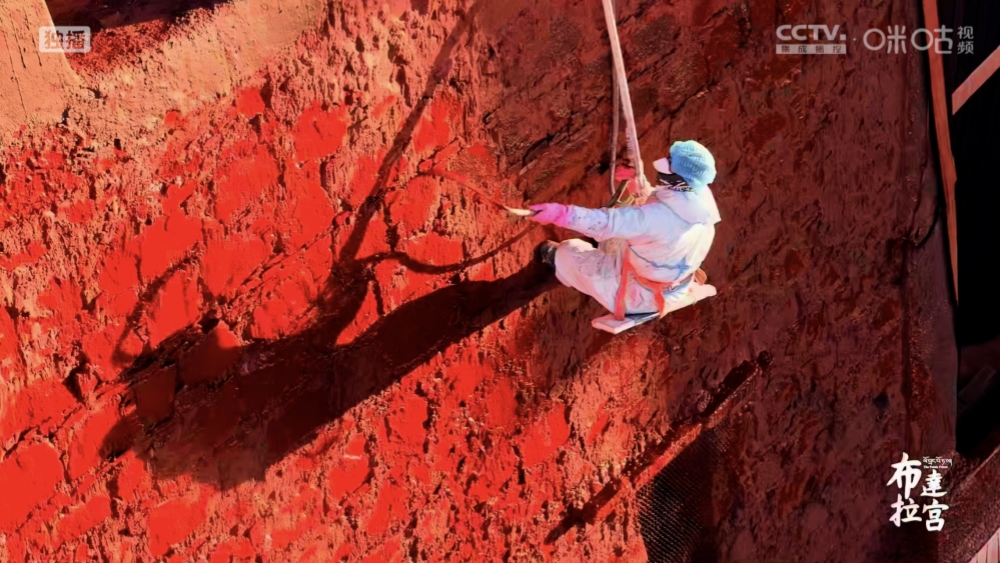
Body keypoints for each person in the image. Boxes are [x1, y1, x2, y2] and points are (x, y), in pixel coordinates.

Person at [529, 140, 721, 320]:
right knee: (620, 232)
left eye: (669, 163)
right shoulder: (700, 201)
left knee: (568, 251)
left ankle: (559, 263)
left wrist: (561, 214)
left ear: (679, 179)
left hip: (639, 295)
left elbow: (605, 223)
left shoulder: (656, 219)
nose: (664, 163)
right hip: (669, 277)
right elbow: (660, 204)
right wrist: (635, 181)